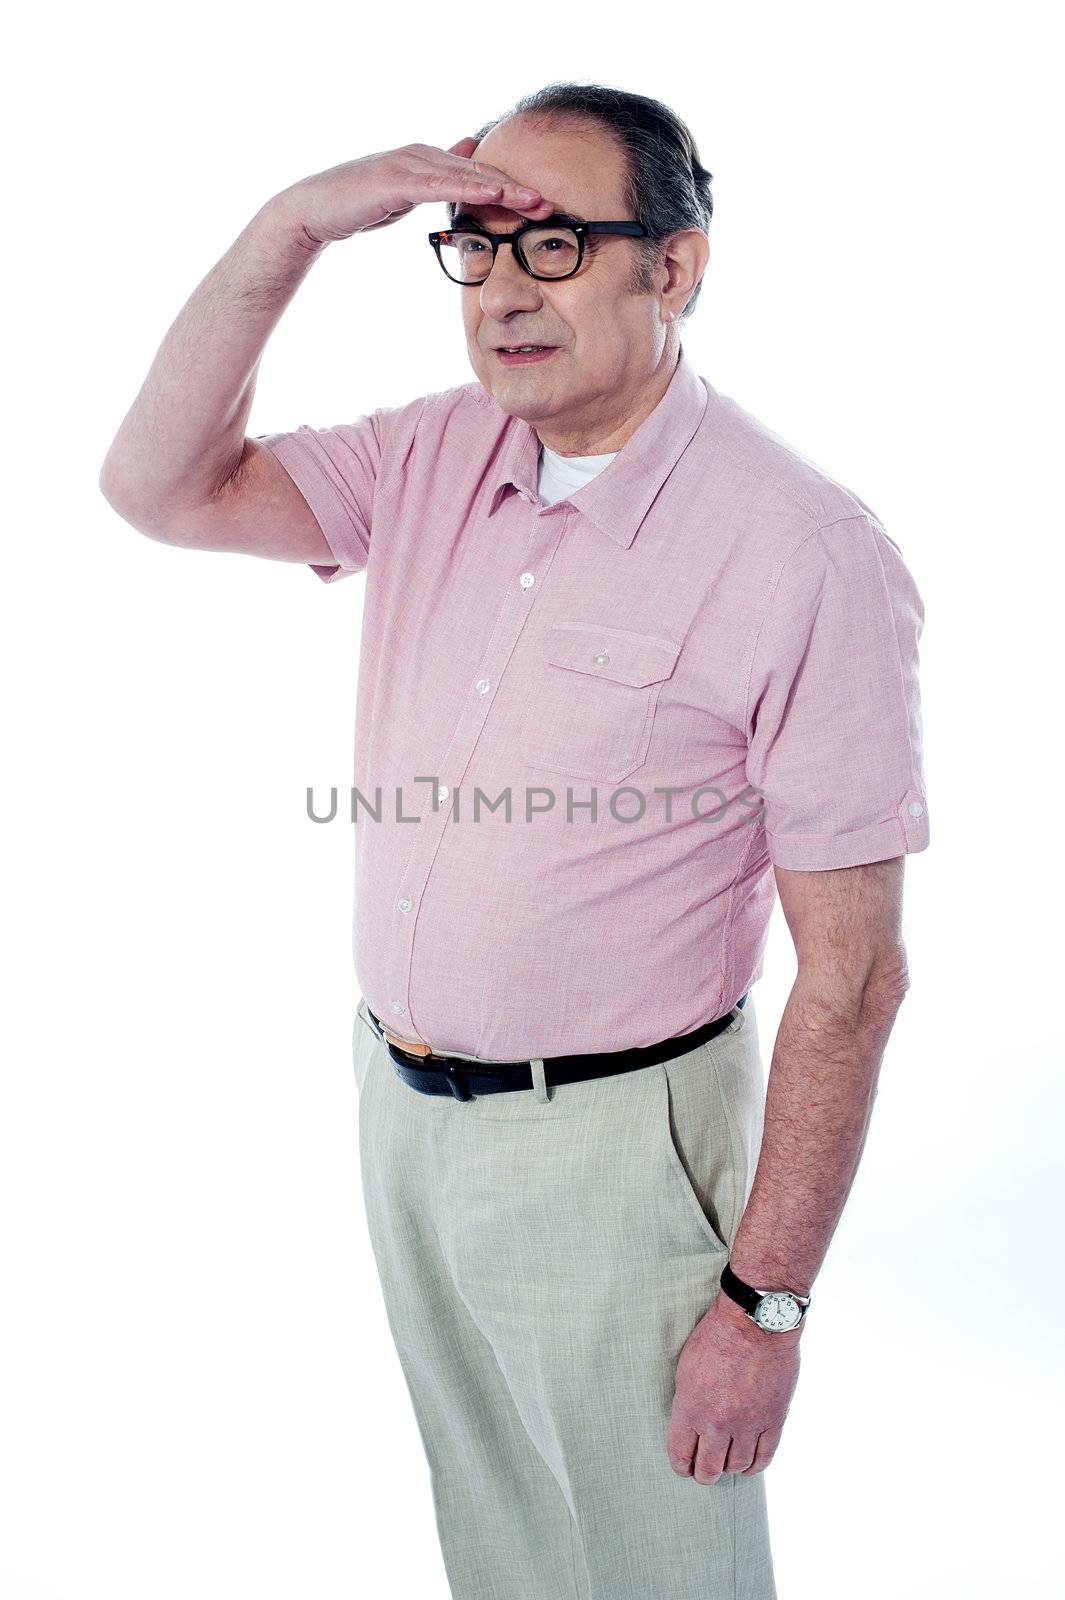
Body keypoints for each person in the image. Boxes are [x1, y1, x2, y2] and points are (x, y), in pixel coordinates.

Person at [99, 82, 930, 1600]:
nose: (500, 293)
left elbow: (855, 978)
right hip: (403, 1114)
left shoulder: (803, 551)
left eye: (550, 247)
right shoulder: (431, 455)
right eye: (472, 250)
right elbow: (157, 487)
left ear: (669, 269)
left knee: (658, 1567)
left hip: (618, 1147)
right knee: (501, 1556)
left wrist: (766, 1306)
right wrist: (288, 226)